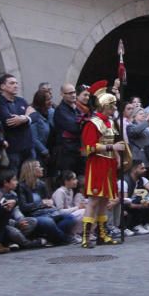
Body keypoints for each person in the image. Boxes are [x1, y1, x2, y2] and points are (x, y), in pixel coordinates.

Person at [79, 80, 125, 248]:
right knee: (94, 200)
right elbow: (89, 147)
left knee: (105, 200)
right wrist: (111, 147)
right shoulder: (93, 123)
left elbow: (112, 140)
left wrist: (116, 156)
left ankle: (102, 233)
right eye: (112, 106)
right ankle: (86, 236)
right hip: (97, 163)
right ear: (104, 106)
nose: (114, 109)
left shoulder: (110, 122)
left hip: (109, 163)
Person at [52, 83, 83, 177]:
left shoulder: (77, 108)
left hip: (77, 150)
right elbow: (74, 127)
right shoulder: (60, 110)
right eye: (69, 93)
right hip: (66, 152)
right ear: (62, 94)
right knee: (67, 179)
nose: (73, 95)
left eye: (74, 92)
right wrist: (83, 123)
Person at [29, 89, 54, 168]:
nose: (50, 101)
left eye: (50, 98)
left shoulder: (51, 112)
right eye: (47, 100)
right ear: (40, 102)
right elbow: (34, 138)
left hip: (51, 149)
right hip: (39, 153)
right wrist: (45, 151)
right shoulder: (34, 115)